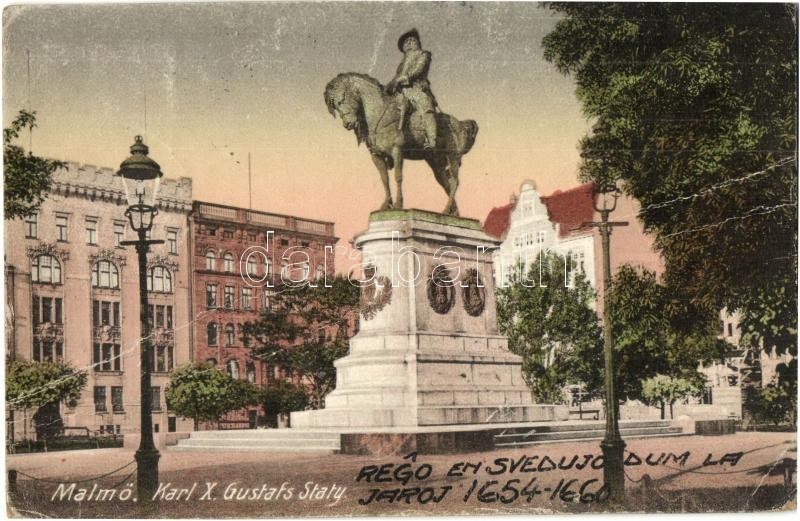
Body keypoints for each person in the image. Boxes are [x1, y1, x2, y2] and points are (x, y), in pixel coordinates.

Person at [386, 29, 438, 149]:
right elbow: (395, 78)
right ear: (403, 48)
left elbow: (420, 68)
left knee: (425, 107)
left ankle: (431, 141)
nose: (409, 42)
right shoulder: (402, 64)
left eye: (412, 40)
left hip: (417, 88)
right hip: (401, 92)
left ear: (418, 43)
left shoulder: (423, 54)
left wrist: (407, 77)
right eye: (406, 41)